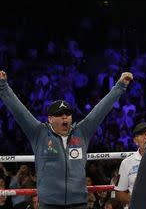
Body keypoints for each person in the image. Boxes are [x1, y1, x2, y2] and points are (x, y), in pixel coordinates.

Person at [0, 70, 133, 209]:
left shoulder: (82, 131)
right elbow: (19, 111)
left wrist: (120, 86)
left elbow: (101, 110)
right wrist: (3, 86)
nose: (65, 117)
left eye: (68, 114)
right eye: (60, 115)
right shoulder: (39, 133)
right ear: (50, 119)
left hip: (79, 203)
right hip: (48, 204)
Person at [114, 122, 146, 207]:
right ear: (135, 141)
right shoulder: (126, 163)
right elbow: (119, 194)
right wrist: (138, 199)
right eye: (142, 134)